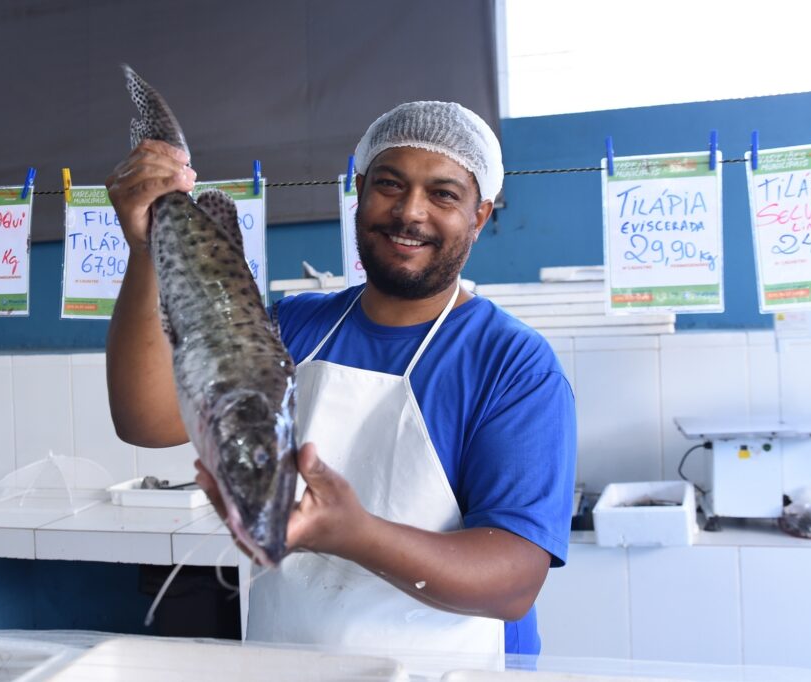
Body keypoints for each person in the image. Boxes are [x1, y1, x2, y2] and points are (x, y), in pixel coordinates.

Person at [105, 101, 576, 657]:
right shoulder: (295, 325)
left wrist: (354, 535)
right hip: (291, 661)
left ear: (479, 215)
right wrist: (146, 249)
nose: (410, 212)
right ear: (360, 189)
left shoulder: (512, 363)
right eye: (389, 184)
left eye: (443, 194)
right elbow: (146, 420)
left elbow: (514, 581)